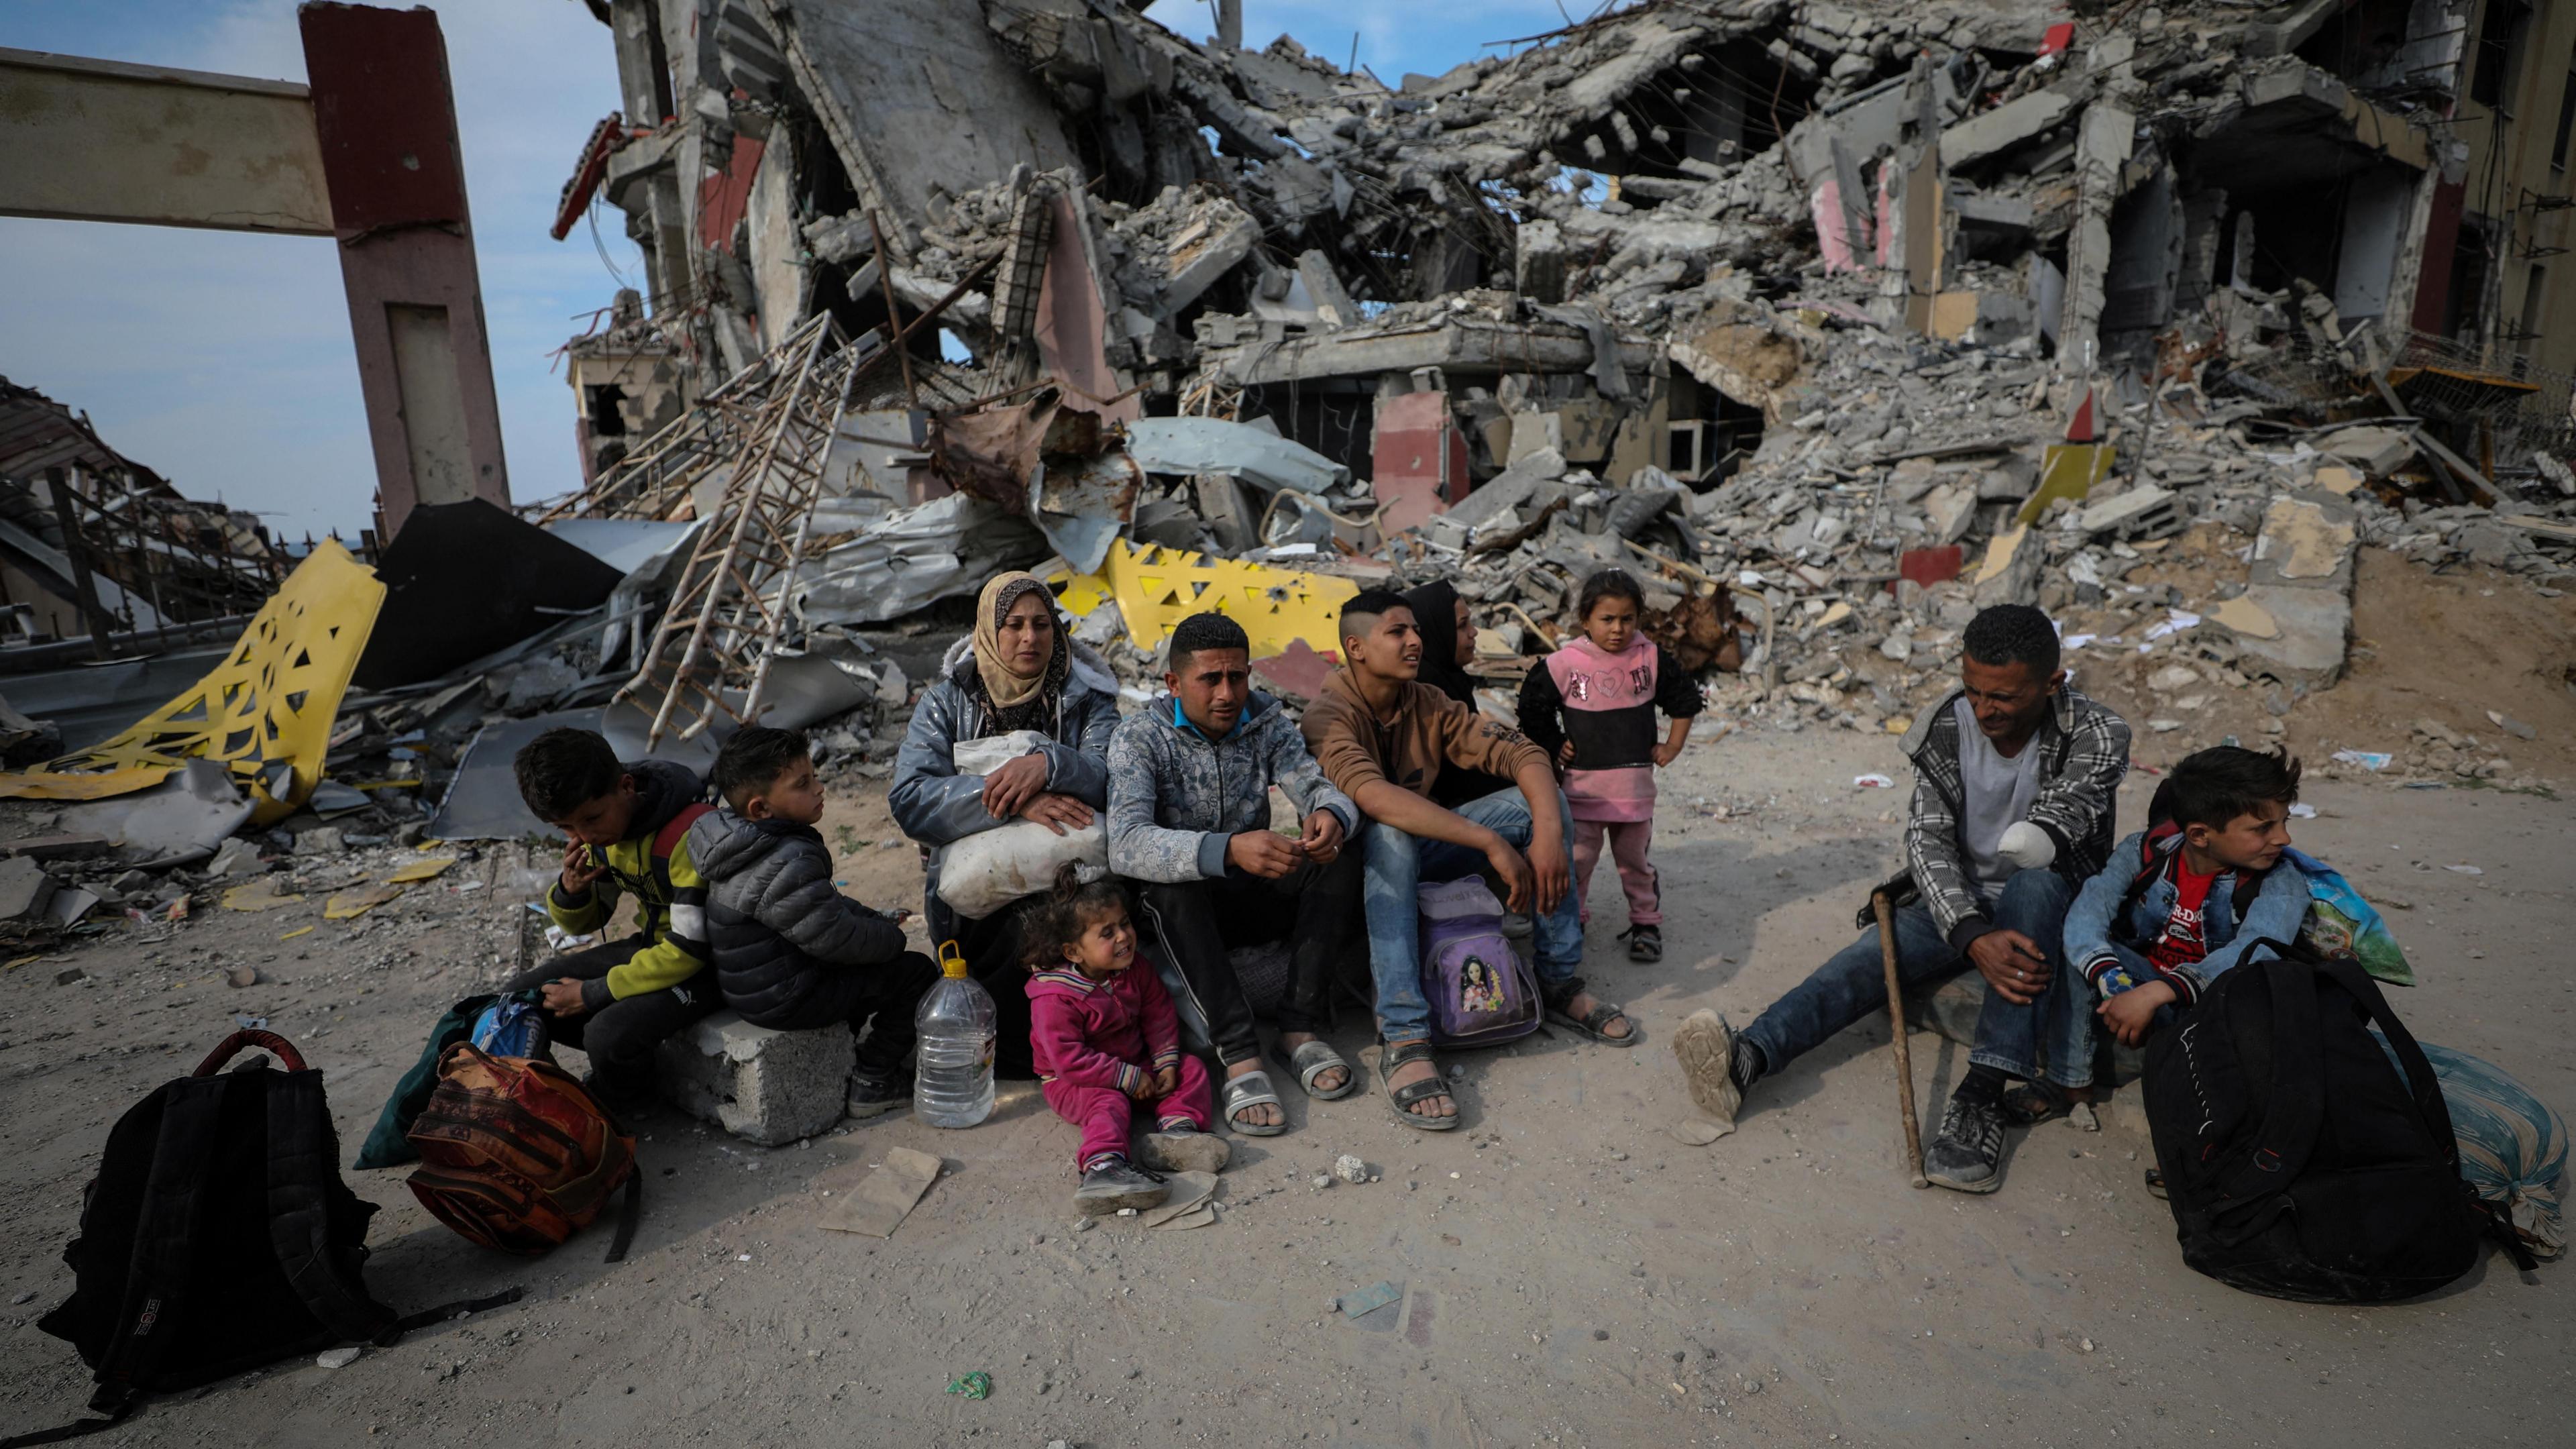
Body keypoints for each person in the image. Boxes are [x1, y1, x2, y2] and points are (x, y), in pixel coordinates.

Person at [1672, 604, 2131, 1193]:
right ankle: (1749, 1058)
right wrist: (1969, 933)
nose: (1984, 709)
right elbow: (1927, 838)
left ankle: (1981, 1097)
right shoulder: (1948, 722)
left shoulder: (2097, 732)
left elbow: (2063, 815)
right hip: (1958, 899)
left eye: (2004, 697)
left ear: (2051, 684)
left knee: (2035, 884)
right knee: (1865, 960)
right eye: (1973, 690)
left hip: (2046, 909)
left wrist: (2007, 904)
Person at [1303, 589, 1635, 1132]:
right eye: (1397, 633)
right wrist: (1489, 842)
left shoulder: (1427, 700)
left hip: (1425, 855)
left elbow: (1522, 752)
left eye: (1415, 630)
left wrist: (1548, 831)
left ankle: (1556, 981)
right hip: (1354, 875)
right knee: (1389, 832)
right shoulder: (1328, 713)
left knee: (1540, 803)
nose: (1415, 641)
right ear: (1356, 649)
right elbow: (1374, 796)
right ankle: (1405, 1035)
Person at [1107, 612, 1364, 1136]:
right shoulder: (1139, 738)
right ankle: (1241, 1054)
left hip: (1253, 891)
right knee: (1167, 890)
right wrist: (1225, 850)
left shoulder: (1265, 722)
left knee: (1341, 856)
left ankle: (1298, 1027)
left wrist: (1329, 815)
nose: (1227, 693)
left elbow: (1316, 785)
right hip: (1188, 910)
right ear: (1175, 684)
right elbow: (1126, 844)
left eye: (1238, 677)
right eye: (1210, 680)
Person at [891, 571, 1120, 1078]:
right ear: (988, 632)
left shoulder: (1087, 698)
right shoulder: (947, 703)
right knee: (1007, 935)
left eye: (1042, 624)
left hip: (1073, 875)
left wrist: (1049, 764)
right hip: (983, 888)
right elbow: (910, 800)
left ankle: (1085, 1050)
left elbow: (1112, 776)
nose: (1029, 638)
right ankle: (1023, 1059)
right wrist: (1012, 800)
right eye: (1013, 625)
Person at [690, 726, 940, 1119]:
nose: (819, 789)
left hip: (755, 985)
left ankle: (853, 1047)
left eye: (815, 777)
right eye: (803, 784)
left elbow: (823, 907)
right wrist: (891, 939)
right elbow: (835, 938)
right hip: (785, 996)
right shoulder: (785, 858)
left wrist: (873, 920)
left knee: (870, 959)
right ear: (761, 808)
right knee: (916, 972)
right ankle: (874, 1079)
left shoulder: (736, 837)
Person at [504, 727, 721, 1117]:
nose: (584, 835)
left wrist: (596, 992)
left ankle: (629, 1105)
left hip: (706, 966)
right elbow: (588, 922)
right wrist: (572, 891)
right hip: (652, 948)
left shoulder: (688, 835)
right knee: (524, 998)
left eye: (591, 818)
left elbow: (690, 950)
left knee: (605, 1033)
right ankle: (588, 1084)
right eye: (567, 829)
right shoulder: (605, 835)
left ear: (625, 786)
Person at [2065, 745, 2310, 1055]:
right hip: (2142, 991)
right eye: (2264, 828)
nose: (2283, 839)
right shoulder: (2147, 852)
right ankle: (2071, 1081)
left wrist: (2160, 992)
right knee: (2085, 948)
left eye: (2284, 822)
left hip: (2212, 1010)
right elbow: (2088, 913)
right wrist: (2113, 980)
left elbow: (2256, 950)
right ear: (2198, 835)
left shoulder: (2280, 880)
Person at [1516, 568, 1703, 963]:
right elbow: (1532, 706)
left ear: (1638, 619)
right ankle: (1572, 921)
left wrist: (1673, 744)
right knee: (1578, 861)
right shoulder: (1565, 663)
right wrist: (1554, 745)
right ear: (1586, 620)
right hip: (1582, 792)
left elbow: (1686, 699)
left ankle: (1646, 923)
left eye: (1627, 619)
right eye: (1607, 619)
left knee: (1635, 863)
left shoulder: (1650, 658)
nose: (1617, 629)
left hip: (1633, 794)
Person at [1024, 865, 1228, 1216]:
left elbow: (1159, 1012)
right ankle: (1103, 1169)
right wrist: (1128, 1079)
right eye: (1107, 932)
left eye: (1125, 924)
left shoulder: (1134, 969)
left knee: (1191, 1068)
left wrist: (1165, 1064)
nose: (1123, 937)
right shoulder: (1054, 999)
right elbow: (1069, 1062)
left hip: (1136, 1068)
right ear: (1073, 952)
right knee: (1108, 1102)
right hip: (1074, 1083)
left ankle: (1176, 1135)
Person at [1401, 580, 1513, 809]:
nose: (1474, 632)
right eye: (1462, 625)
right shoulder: (1423, 692)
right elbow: (1458, 777)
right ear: (1436, 631)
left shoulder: (1452, 680)